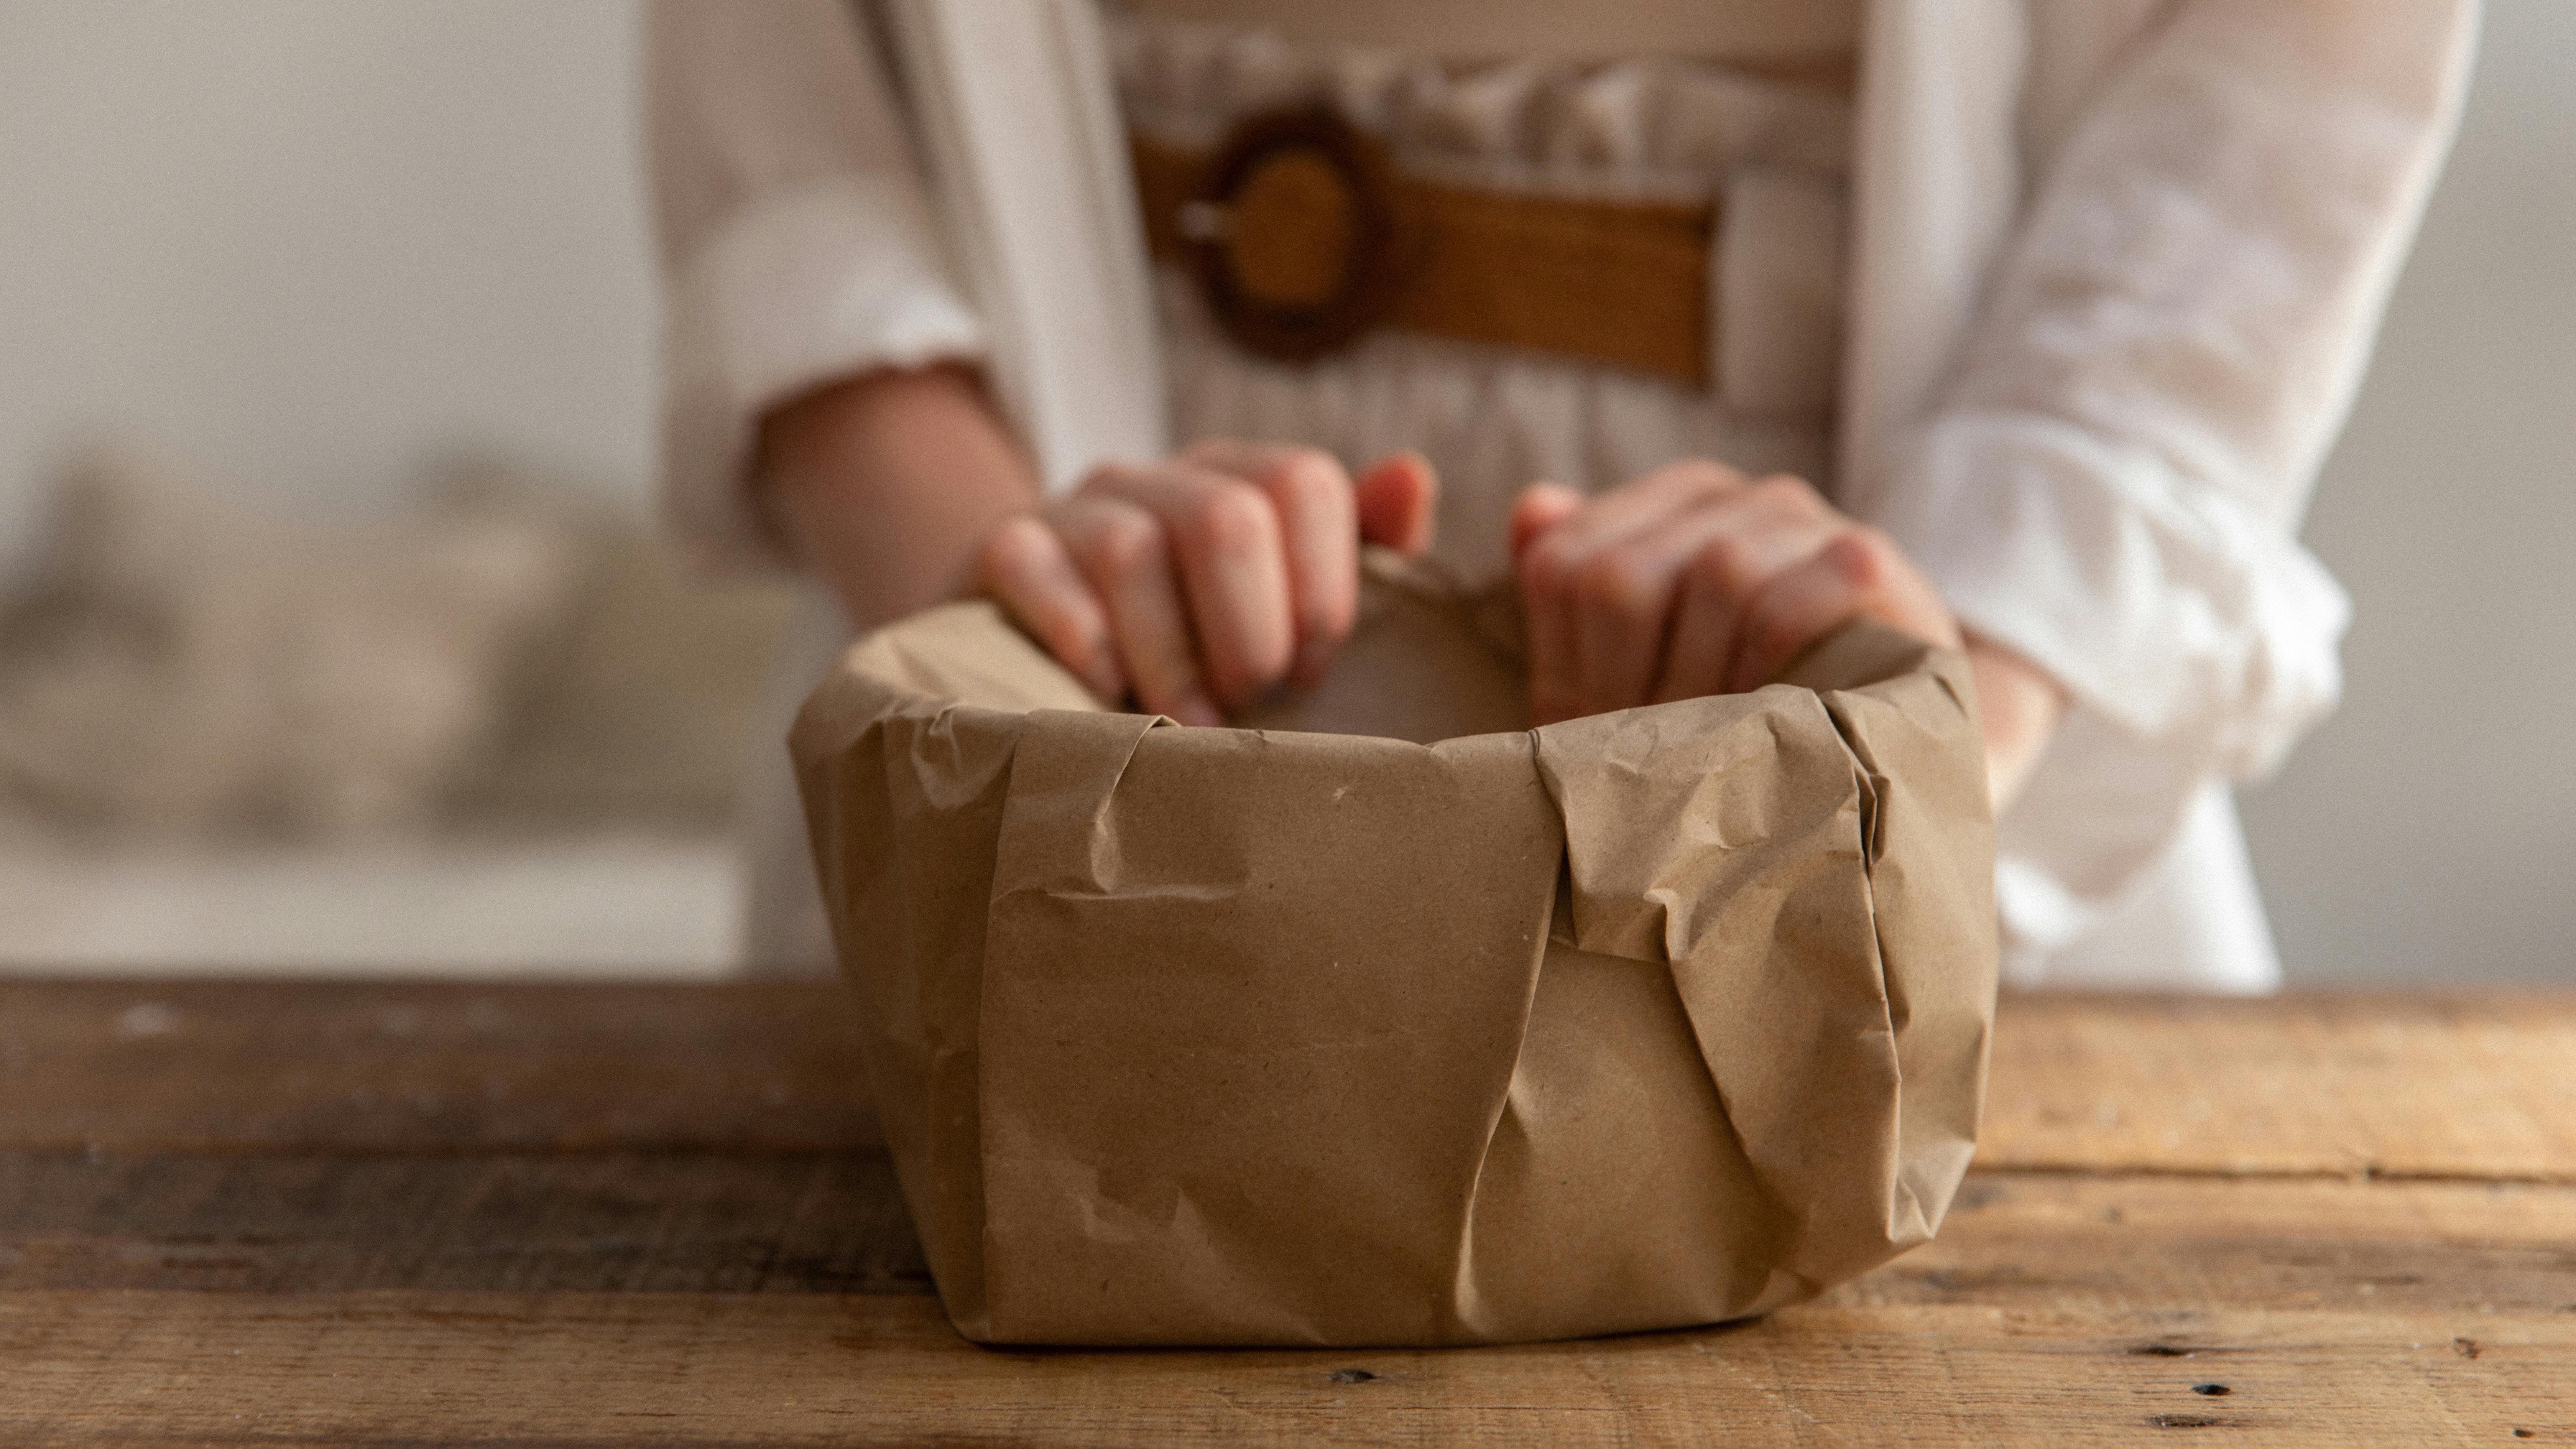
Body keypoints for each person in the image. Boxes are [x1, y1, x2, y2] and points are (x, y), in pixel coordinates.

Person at [650, 0, 2475, 987]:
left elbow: (2273, 83)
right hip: (1081, 598)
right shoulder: (1025, 638)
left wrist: (1933, 725)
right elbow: (799, 141)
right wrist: (1005, 642)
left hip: (1835, 597)